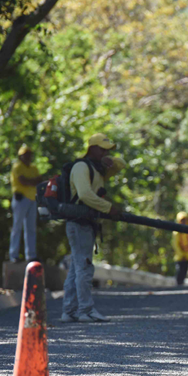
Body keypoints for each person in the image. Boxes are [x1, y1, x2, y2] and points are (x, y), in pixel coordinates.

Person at [60, 134, 122, 323]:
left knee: (76, 269)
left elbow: (120, 165)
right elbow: (85, 194)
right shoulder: (81, 167)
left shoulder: (98, 169)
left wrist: (110, 159)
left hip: (86, 225)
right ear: (91, 148)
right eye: (102, 149)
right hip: (78, 224)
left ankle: (69, 311)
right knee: (85, 267)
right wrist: (108, 208)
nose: (105, 153)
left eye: (107, 150)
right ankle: (85, 310)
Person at [9, 144, 42, 262]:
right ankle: (13, 255)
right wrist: (32, 181)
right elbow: (23, 181)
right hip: (21, 199)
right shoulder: (17, 166)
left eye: (29, 154)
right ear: (21, 156)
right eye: (25, 154)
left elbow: (39, 180)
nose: (28, 156)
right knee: (17, 227)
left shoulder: (34, 168)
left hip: (32, 200)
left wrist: (31, 181)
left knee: (31, 228)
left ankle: (31, 256)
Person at [173, 212, 188, 286]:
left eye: (185, 220)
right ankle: (178, 285)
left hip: (187, 255)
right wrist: (181, 254)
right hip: (180, 256)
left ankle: (181, 284)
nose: (183, 222)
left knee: (185, 271)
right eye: (182, 220)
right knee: (179, 270)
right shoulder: (176, 232)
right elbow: (175, 244)